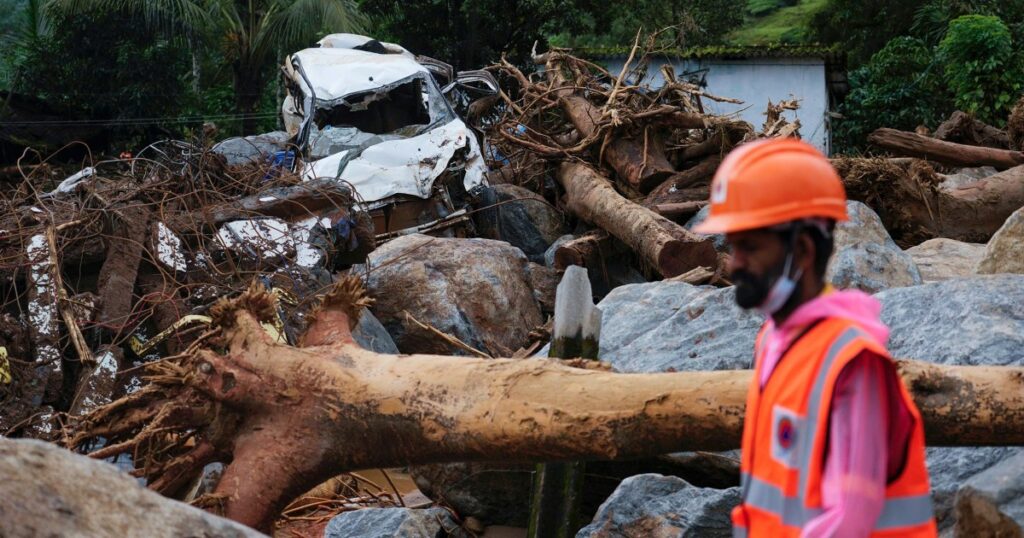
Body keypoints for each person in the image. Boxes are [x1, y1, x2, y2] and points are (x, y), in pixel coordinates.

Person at [693, 138, 937, 537]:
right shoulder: (775, 340)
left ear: (803, 251)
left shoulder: (853, 363)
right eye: (733, 246)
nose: (733, 263)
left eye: (749, 247)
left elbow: (851, 518)